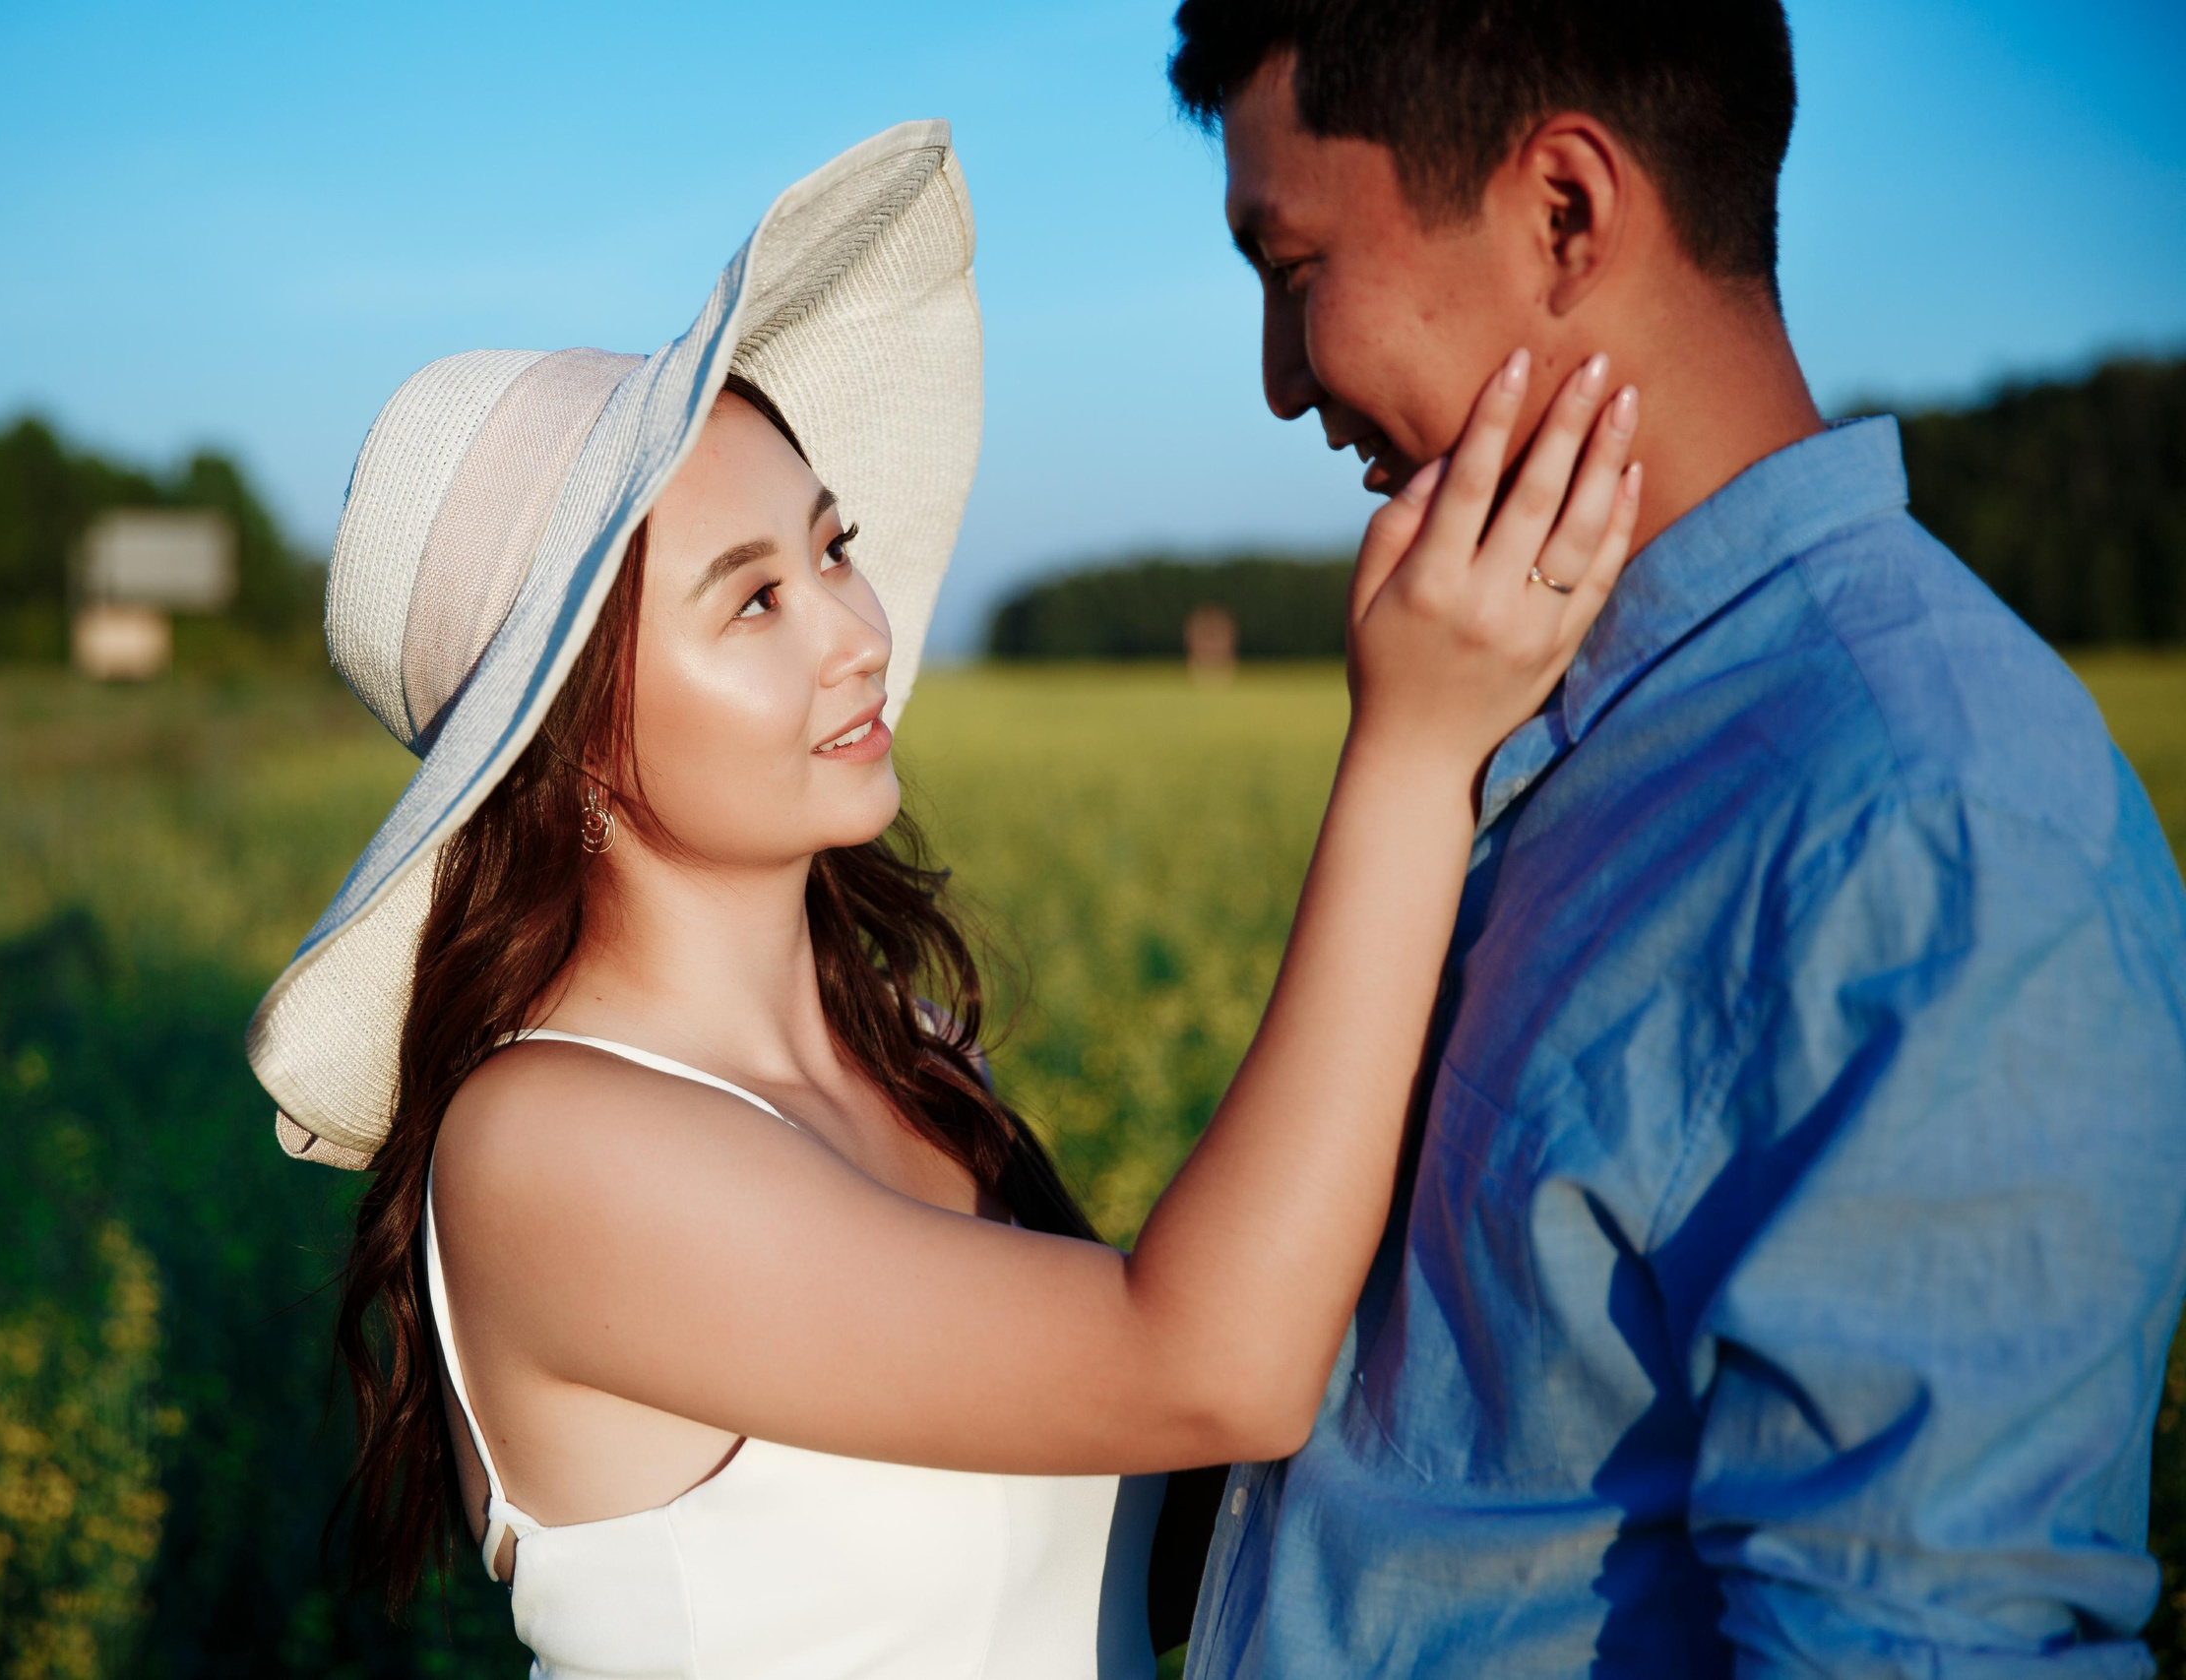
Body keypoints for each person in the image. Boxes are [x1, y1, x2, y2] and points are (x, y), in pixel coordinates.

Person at [246, 123, 1637, 1676]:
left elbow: (1193, 1503)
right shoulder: (548, 1146)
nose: (856, 631)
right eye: (753, 600)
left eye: (831, 548)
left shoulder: (901, 1048)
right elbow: (1208, 1368)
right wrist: (1413, 749)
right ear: (567, 749)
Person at [1163, 3, 2186, 1674]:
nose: (1283, 383)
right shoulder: (1518, 703)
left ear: (1565, 211)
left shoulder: (1932, 821)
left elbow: (1914, 1645)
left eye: (1293, 271)